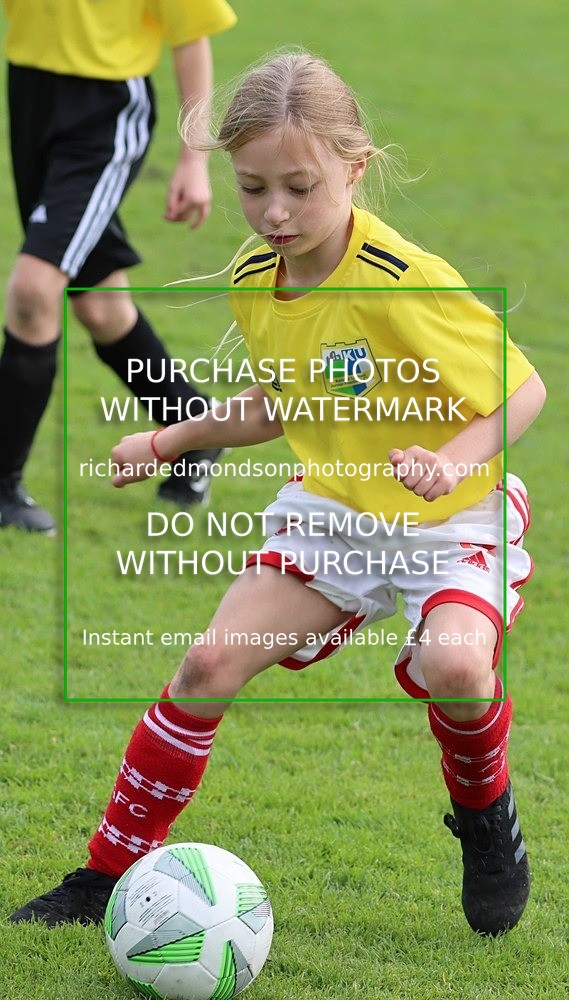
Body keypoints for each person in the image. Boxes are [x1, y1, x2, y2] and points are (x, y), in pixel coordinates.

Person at [10, 52, 546, 936]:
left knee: (456, 667)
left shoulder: (400, 279)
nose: (274, 213)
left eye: (299, 186)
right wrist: (170, 438)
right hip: (335, 513)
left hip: (450, 518)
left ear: (354, 167)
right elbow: (279, 400)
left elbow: (519, 385)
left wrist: (452, 461)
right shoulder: (257, 275)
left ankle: (486, 822)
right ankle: (105, 875)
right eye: (253, 188)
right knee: (206, 665)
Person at [0, 0, 237, 534]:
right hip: (31, 95)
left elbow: (191, 35)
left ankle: (3, 489)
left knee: (34, 291)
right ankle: (195, 428)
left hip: (103, 114)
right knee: (102, 307)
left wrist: (193, 159)